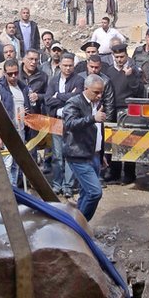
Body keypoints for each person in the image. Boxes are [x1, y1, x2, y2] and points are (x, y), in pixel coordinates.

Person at [62, 74, 108, 222]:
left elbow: (98, 131)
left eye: (101, 92)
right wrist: (92, 118)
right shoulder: (74, 103)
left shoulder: (96, 104)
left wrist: (100, 152)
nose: (99, 95)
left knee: (86, 193)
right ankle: (80, 225)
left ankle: (76, 225)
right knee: (94, 192)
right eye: (96, 92)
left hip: (93, 155)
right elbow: (70, 124)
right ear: (85, 88)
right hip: (78, 155)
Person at [104, 44, 144, 184]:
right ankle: (114, 172)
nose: (119, 60)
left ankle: (129, 174)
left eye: (122, 57)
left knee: (129, 142)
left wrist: (130, 76)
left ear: (126, 55)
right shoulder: (109, 71)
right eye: (117, 57)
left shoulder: (134, 70)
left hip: (128, 110)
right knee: (112, 141)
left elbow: (139, 91)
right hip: (112, 109)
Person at [45, 52, 82, 198]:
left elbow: (76, 98)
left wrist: (58, 96)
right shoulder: (53, 81)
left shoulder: (79, 80)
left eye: (70, 65)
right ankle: (57, 184)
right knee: (57, 155)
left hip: (71, 122)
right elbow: (48, 100)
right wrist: (67, 96)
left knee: (70, 155)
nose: (67, 68)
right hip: (57, 121)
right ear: (59, 65)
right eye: (65, 65)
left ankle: (68, 186)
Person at [0, 58, 31, 185]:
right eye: (10, 74)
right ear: (4, 73)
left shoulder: (23, 88)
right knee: (7, 164)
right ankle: (8, 192)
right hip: (6, 133)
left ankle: (14, 190)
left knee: (16, 164)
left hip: (20, 131)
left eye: (16, 73)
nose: (13, 76)